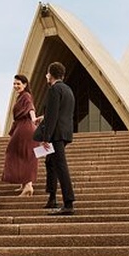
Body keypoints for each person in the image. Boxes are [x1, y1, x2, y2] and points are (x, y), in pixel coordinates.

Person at [40, 62, 76, 215]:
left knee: (60, 166)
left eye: (47, 74)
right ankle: (52, 197)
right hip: (65, 133)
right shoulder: (67, 89)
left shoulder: (54, 89)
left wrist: (46, 137)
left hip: (56, 135)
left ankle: (68, 203)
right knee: (50, 162)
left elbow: (53, 115)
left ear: (50, 74)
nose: (46, 76)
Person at [2, 74, 41, 197]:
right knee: (22, 154)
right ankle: (24, 184)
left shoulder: (26, 96)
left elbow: (30, 108)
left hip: (25, 127)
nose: (16, 86)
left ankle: (28, 185)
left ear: (25, 84)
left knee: (23, 154)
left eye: (18, 83)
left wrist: (34, 118)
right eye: (14, 83)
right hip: (21, 128)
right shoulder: (20, 97)